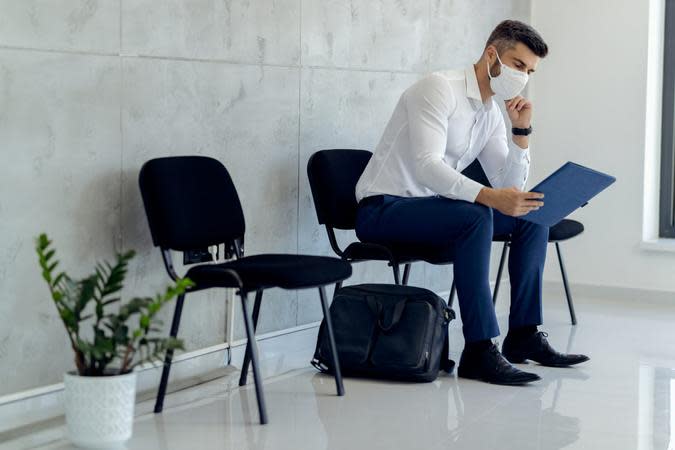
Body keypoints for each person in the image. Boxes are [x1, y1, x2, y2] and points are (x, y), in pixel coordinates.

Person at [354, 20, 588, 386]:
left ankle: (523, 333)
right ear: (492, 54)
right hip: (384, 209)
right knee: (476, 214)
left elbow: (510, 186)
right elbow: (427, 166)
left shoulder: (492, 114)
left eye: (528, 71)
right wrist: (491, 198)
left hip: (433, 210)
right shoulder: (437, 89)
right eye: (517, 64)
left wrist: (520, 132)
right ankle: (479, 348)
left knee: (530, 216)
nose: (521, 76)